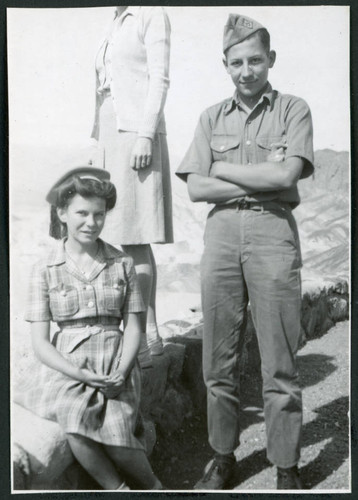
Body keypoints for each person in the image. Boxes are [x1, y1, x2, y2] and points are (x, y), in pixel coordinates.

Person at [176, 14, 314, 490]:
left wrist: (224, 168)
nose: (246, 70)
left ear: (270, 59)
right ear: (225, 65)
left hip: (273, 235)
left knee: (280, 360)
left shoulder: (293, 109)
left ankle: (286, 465)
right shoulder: (210, 117)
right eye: (236, 62)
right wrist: (254, 173)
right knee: (218, 360)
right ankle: (222, 457)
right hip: (221, 239)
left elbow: (284, 178)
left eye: (255, 60)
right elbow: (195, 188)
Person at [22, 167, 163, 490]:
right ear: (62, 213)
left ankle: (154, 487)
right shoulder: (44, 269)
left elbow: (134, 327)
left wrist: (123, 369)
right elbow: (41, 344)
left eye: (99, 215)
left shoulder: (122, 263)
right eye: (81, 213)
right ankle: (119, 491)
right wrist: (79, 374)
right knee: (74, 423)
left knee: (117, 432)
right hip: (68, 366)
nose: (91, 222)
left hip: (116, 360)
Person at [89, 6, 173, 369]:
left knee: (136, 236)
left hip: (136, 132)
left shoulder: (150, 13)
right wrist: (96, 144)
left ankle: (144, 332)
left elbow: (160, 79)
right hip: (110, 131)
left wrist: (145, 135)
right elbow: (103, 90)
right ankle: (141, 329)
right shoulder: (114, 19)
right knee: (118, 234)